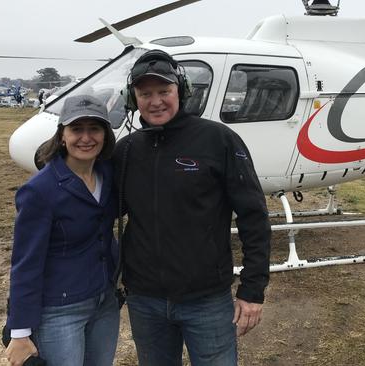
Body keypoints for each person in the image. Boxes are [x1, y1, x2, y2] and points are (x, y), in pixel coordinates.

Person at [114, 49, 271, 365]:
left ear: (180, 92)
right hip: (145, 299)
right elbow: (99, 212)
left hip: (207, 299)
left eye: (164, 91)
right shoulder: (126, 150)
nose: (155, 101)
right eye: (145, 93)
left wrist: (252, 289)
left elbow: (254, 217)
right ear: (133, 100)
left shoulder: (219, 140)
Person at [4, 95, 119, 366]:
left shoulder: (107, 174)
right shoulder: (39, 191)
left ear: (105, 135)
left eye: (95, 129)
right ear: (62, 136)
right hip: (60, 309)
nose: (86, 137)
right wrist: (19, 332)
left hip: (105, 301)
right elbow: (25, 263)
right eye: (77, 129)